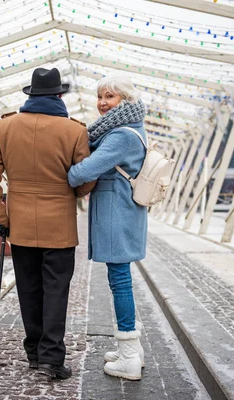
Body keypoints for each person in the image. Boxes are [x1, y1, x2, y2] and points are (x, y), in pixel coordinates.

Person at [0, 68, 95, 380]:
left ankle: (33, 354)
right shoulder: (74, 132)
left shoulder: (5, 126)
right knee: (56, 291)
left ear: (30, 94)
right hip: (59, 226)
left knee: (29, 290)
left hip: (19, 226)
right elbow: (85, 183)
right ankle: (51, 360)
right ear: (60, 95)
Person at [67, 75, 148, 381]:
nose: (102, 102)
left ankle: (128, 357)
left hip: (118, 214)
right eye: (100, 96)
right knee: (121, 279)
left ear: (124, 100)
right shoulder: (127, 128)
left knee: (120, 280)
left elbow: (84, 172)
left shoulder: (120, 136)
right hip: (124, 211)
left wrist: (65, 173)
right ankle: (131, 349)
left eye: (110, 96)